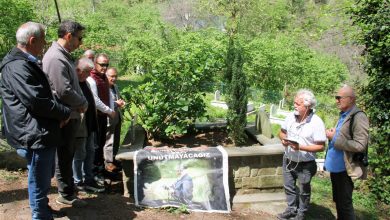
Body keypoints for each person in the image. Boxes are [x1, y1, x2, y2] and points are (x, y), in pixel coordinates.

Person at [0, 22, 71, 220]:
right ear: (32, 41)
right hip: (33, 133)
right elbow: (37, 101)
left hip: (38, 130)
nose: (45, 44)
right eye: (43, 40)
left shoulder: (25, 62)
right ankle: (40, 215)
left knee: (43, 176)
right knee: (38, 179)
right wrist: (64, 112)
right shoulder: (17, 66)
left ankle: (43, 208)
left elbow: (40, 96)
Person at [42, 20, 89, 207]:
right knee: (63, 157)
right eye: (79, 38)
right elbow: (63, 91)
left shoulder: (64, 55)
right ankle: (66, 194)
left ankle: (68, 191)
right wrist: (83, 102)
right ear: (69, 36)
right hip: (65, 117)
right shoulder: (55, 57)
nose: (81, 42)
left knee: (67, 155)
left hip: (70, 115)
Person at [277, 89, 326, 220]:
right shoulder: (290, 116)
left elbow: (321, 146)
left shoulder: (316, 122)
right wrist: (283, 139)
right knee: (289, 186)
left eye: (298, 104)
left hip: (305, 164)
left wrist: (301, 147)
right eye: (294, 103)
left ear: (307, 105)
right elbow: (281, 132)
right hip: (288, 159)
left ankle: (301, 213)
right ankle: (291, 209)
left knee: (304, 190)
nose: (294, 106)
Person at [324, 85, 369, 220]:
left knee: (345, 204)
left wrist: (335, 138)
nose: (337, 100)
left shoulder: (359, 117)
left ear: (351, 99)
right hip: (336, 168)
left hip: (346, 169)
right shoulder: (344, 114)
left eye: (339, 98)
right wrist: (334, 132)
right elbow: (344, 136)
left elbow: (360, 145)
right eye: (336, 97)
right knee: (339, 202)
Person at [72, 57, 105, 193]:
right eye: (87, 71)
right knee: (79, 154)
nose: (89, 74)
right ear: (78, 70)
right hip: (80, 126)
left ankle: (88, 179)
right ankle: (78, 182)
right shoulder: (73, 83)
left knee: (90, 152)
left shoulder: (85, 82)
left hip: (90, 124)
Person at [86, 53, 115, 175]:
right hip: (95, 117)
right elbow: (95, 100)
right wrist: (109, 110)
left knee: (102, 143)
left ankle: (100, 169)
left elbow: (109, 95)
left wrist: (111, 109)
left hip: (103, 117)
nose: (104, 68)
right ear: (95, 64)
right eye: (102, 64)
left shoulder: (103, 78)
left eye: (106, 65)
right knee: (96, 146)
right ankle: (94, 171)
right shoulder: (91, 79)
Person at [104, 67, 126, 172]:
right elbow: (103, 104)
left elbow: (118, 99)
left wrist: (121, 102)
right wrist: (115, 104)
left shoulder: (115, 87)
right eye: (111, 76)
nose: (114, 78)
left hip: (117, 116)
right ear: (106, 76)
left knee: (116, 139)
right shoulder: (103, 88)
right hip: (109, 117)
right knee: (109, 140)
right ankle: (108, 162)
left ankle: (114, 158)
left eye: (115, 76)